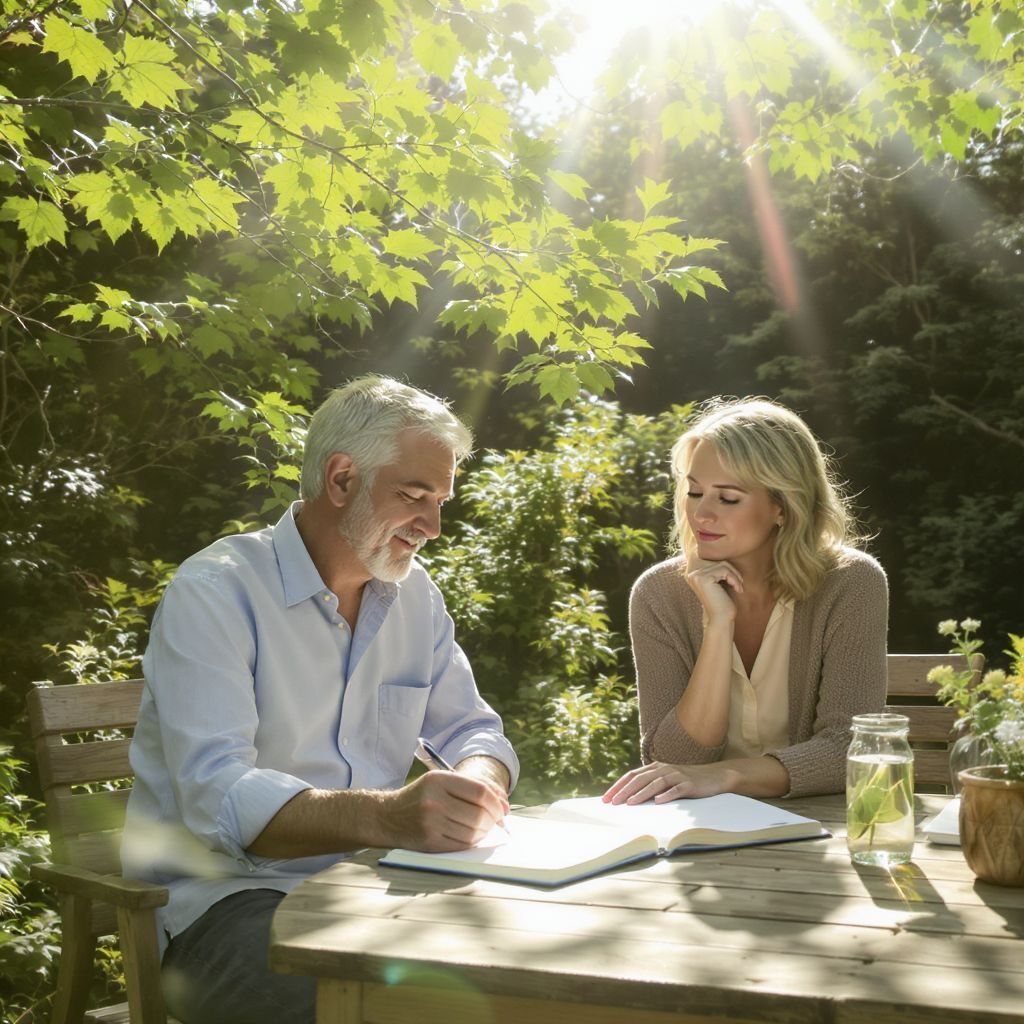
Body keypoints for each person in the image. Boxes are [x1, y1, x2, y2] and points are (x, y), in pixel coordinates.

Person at [123, 375, 518, 1024]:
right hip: (231, 909)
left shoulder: (416, 597)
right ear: (341, 480)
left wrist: (476, 783)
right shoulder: (215, 592)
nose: (435, 526)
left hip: (377, 891)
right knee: (388, 1009)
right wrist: (388, 817)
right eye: (416, 496)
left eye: (441, 501)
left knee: (527, 982)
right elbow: (217, 797)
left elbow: (476, 731)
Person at [603, 397, 887, 806]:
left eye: (728, 498)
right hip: (701, 832)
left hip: (822, 827)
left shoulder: (851, 583)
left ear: (784, 507)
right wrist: (717, 626)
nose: (702, 513)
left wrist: (726, 776)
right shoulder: (659, 594)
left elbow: (848, 747)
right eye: (695, 492)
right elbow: (672, 761)